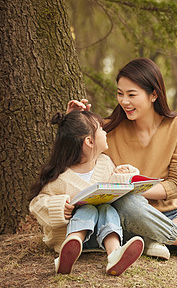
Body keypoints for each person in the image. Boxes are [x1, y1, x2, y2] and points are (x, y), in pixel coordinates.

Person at [67, 57, 177, 266]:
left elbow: (176, 185)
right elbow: (76, 161)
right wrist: (75, 123)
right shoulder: (106, 130)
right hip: (129, 216)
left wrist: (132, 188)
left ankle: (154, 237)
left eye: (131, 94)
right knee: (126, 202)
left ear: (154, 94)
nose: (124, 101)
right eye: (120, 94)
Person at [29, 111, 144, 276]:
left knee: (106, 208)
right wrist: (59, 207)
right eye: (101, 130)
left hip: (99, 237)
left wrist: (125, 174)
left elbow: (113, 188)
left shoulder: (105, 163)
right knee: (87, 209)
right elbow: (36, 204)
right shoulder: (60, 179)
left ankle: (114, 254)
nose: (106, 133)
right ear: (89, 141)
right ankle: (69, 249)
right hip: (68, 237)